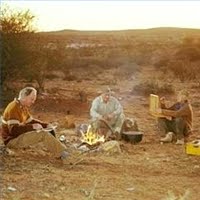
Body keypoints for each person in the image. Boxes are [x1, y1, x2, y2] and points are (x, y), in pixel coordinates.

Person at [1, 87, 71, 162]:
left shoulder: (22, 106)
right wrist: (32, 127)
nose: (33, 101)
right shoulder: (13, 108)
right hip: (12, 141)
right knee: (43, 134)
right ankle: (63, 154)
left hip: (17, 137)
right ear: (24, 97)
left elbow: (30, 121)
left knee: (48, 130)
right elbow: (13, 130)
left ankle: (61, 150)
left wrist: (46, 125)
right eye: (32, 99)